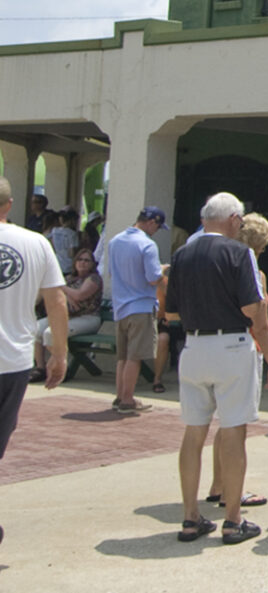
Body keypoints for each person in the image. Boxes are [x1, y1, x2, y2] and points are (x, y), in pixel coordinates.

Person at [164, 192, 268, 545]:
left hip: (194, 344)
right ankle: (233, 518)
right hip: (231, 345)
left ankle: (190, 516)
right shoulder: (239, 252)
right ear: (232, 219)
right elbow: (251, 310)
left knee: (194, 431)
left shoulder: (182, 254)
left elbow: (169, 313)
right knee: (233, 431)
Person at [0, 178, 69, 548]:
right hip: (12, 359)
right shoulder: (36, 243)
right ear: (9, 205)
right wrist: (60, 352)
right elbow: (56, 301)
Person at [105, 206, 168, 413]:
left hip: (120, 306)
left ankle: (120, 396)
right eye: (157, 226)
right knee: (135, 357)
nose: (156, 231)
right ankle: (127, 400)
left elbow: (111, 274)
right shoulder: (147, 245)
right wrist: (162, 271)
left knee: (122, 357)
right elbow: (152, 278)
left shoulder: (115, 241)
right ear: (151, 222)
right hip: (141, 305)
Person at [31, 248, 102, 379]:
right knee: (36, 328)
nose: (83, 263)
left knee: (50, 333)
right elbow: (55, 294)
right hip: (66, 316)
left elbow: (80, 295)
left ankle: (57, 367)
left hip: (87, 318)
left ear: (92, 264)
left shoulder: (94, 279)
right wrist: (66, 294)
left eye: (87, 260)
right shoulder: (69, 278)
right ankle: (40, 368)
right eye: (80, 259)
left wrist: (61, 288)